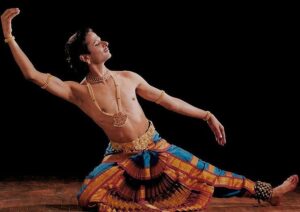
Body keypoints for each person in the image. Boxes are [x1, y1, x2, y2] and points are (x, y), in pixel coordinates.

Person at [2, 8, 298, 211]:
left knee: (210, 175)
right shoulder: (77, 91)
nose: (104, 42)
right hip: (121, 158)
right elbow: (33, 75)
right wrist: (9, 36)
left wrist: (207, 114)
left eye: (101, 39)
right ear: (84, 56)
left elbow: (168, 101)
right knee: (89, 197)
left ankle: (269, 192)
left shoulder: (129, 77)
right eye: (96, 42)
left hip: (157, 147)